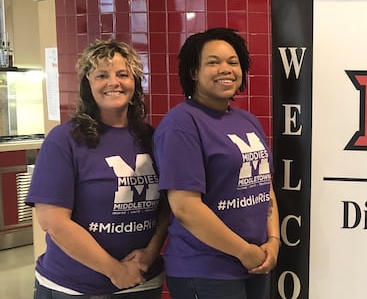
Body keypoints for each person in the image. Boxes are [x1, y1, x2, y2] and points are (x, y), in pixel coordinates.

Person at [25, 39, 168, 298]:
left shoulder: (150, 137)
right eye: (102, 75)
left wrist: (151, 251)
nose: (113, 82)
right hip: (75, 288)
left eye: (123, 74)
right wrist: (114, 270)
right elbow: (53, 222)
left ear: (134, 83)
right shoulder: (64, 140)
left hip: (142, 282)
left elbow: (167, 207)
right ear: (87, 85)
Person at [153, 27, 279, 299]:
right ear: (194, 72)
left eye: (233, 62)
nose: (226, 69)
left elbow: (263, 187)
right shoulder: (181, 125)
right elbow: (186, 207)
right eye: (213, 62)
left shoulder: (247, 121)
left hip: (254, 263)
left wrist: (273, 240)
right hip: (205, 271)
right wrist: (243, 251)